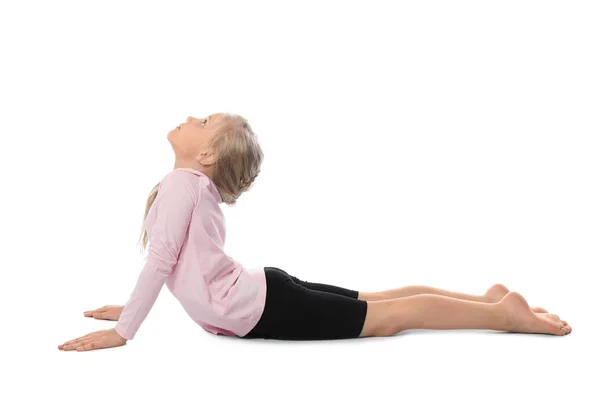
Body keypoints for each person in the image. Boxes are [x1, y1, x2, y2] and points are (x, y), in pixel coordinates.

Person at [58, 112, 572, 352]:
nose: (193, 116)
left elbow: (163, 261)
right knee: (380, 300)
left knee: (388, 317)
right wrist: (126, 309)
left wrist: (124, 331)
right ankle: (485, 301)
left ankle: (502, 314)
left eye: (204, 120)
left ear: (206, 154)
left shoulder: (180, 184)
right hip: (263, 291)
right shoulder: (190, 185)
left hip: (261, 303)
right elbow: (182, 266)